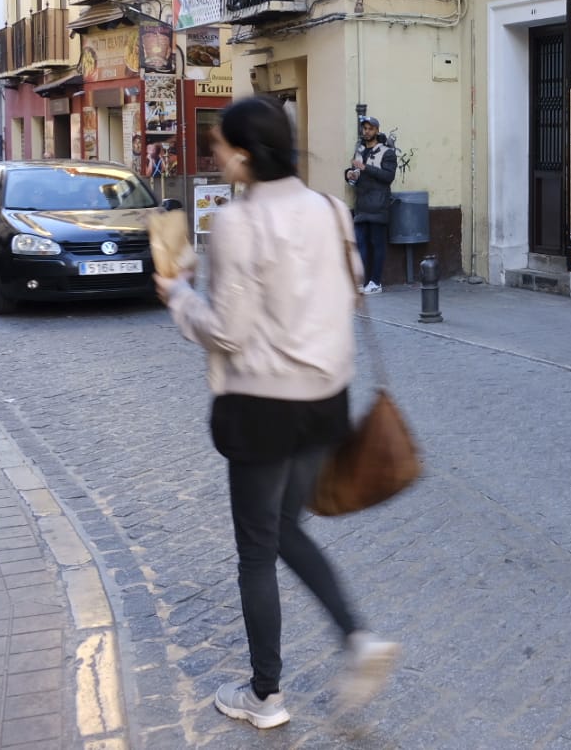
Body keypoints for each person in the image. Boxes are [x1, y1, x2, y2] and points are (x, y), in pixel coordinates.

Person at [157, 96, 398, 728]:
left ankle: (265, 696)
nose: (213, 156)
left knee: (257, 549)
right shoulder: (330, 208)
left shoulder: (240, 223)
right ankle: (359, 638)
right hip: (325, 401)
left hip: (263, 407)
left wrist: (179, 295)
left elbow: (227, 330)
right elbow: (345, 290)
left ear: (240, 154)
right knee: (286, 527)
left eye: (217, 146)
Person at [344, 115, 396, 294]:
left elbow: (388, 177)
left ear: (377, 130)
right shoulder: (359, 150)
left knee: (377, 244)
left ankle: (375, 282)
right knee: (360, 245)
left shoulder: (387, 152)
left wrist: (366, 168)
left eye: (370, 129)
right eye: (364, 129)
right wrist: (350, 174)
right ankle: (362, 281)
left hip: (379, 205)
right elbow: (355, 172)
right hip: (362, 205)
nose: (366, 132)